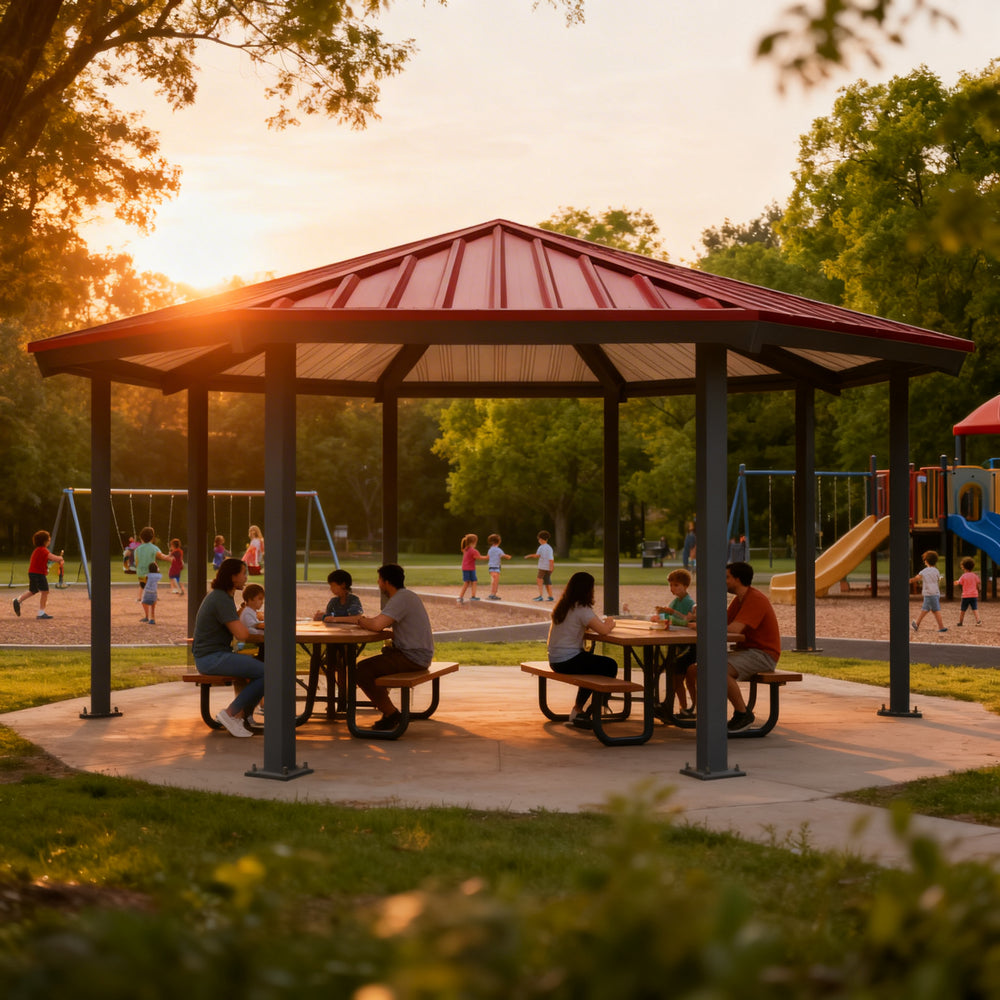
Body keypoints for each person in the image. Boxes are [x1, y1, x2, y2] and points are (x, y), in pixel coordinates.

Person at [685, 561, 781, 731]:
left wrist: (704, 626)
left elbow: (734, 629)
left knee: (717, 670)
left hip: (763, 654)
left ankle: (743, 714)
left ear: (737, 579)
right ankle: (704, 713)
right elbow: (722, 623)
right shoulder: (739, 600)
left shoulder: (755, 599)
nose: (723, 581)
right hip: (746, 651)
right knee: (694, 669)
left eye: (726, 578)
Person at [356, 563, 434, 731]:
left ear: (386, 581)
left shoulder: (401, 598)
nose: (378, 583)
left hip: (413, 657)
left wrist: (360, 620)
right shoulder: (407, 596)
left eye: (379, 580)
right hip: (419, 654)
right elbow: (382, 622)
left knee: (362, 670)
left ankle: (391, 714)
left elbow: (377, 625)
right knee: (377, 663)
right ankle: (387, 710)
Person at [192, 557, 264, 738]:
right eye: (244, 573)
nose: (246, 578)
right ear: (233, 577)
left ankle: (239, 715)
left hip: (213, 655)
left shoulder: (221, 596)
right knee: (268, 673)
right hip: (211, 658)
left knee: (265, 671)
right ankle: (231, 714)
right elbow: (242, 634)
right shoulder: (221, 599)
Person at [547, 571, 618, 729]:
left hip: (555, 659)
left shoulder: (564, 606)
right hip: (568, 660)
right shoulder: (582, 609)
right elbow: (604, 631)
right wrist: (611, 622)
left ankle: (579, 711)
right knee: (610, 665)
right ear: (587, 590)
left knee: (592, 665)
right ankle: (591, 712)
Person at [655, 567, 696, 717]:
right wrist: (661, 614)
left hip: (689, 647)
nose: (672, 588)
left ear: (685, 586)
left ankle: (693, 707)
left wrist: (670, 618)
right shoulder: (675, 602)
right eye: (671, 585)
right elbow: (667, 614)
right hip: (679, 644)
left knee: (678, 675)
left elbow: (687, 621)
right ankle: (682, 706)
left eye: (676, 585)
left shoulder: (689, 602)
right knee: (674, 675)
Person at [13, 530, 64, 619]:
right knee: (45, 591)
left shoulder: (37, 550)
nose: (49, 541)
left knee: (33, 590)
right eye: (48, 540)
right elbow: (53, 557)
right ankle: (41, 612)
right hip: (38, 574)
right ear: (44, 541)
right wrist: (60, 558)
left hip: (33, 573)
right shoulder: (43, 550)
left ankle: (18, 600)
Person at [911, 550, 947, 633]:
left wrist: (908, 580)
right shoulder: (936, 571)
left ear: (925, 561)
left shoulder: (924, 572)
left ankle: (940, 627)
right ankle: (917, 624)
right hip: (935, 593)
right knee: (931, 610)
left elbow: (916, 579)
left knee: (930, 610)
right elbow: (938, 578)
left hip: (929, 593)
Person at [133, 527, 170, 598]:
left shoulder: (137, 549)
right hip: (151, 574)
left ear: (141, 537)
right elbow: (162, 556)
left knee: (142, 584)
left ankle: (139, 597)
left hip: (140, 573)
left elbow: (136, 562)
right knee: (153, 581)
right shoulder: (154, 548)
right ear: (152, 538)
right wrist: (170, 557)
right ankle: (154, 595)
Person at [238, 582, 266, 658]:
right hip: (250, 640)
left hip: (253, 637)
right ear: (250, 599)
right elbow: (256, 625)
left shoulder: (251, 611)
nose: (262, 602)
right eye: (260, 599)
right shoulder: (247, 612)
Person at [457, 533, 487, 603]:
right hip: (470, 569)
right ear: (474, 542)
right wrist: (487, 557)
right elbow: (479, 557)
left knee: (468, 582)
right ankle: (471, 596)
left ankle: (461, 597)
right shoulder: (473, 551)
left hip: (465, 568)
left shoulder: (465, 549)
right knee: (472, 582)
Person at [526, 529, 555, 601]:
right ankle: (550, 596)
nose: (538, 540)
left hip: (542, 567)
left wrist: (529, 556)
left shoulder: (541, 547)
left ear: (541, 539)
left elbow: (537, 556)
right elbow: (551, 559)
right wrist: (552, 567)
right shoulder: (549, 547)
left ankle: (541, 596)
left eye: (539, 539)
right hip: (548, 567)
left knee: (539, 579)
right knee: (547, 581)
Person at [956, 556, 983, 626]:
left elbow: (960, 582)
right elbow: (978, 582)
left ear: (963, 567)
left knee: (963, 609)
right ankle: (978, 621)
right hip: (974, 595)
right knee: (975, 608)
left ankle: (960, 622)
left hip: (966, 595)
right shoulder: (974, 575)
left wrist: (956, 582)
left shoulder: (963, 576)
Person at [486, 532, 512, 600]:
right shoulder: (498, 550)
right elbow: (503, 555)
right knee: (495, 582)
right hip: (496, 567)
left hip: (491, 567)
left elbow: (488, 557)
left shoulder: (490, 549)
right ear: (499, 541)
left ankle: (492, 594)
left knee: (493, 581)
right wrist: (508, 556)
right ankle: (493, 594)